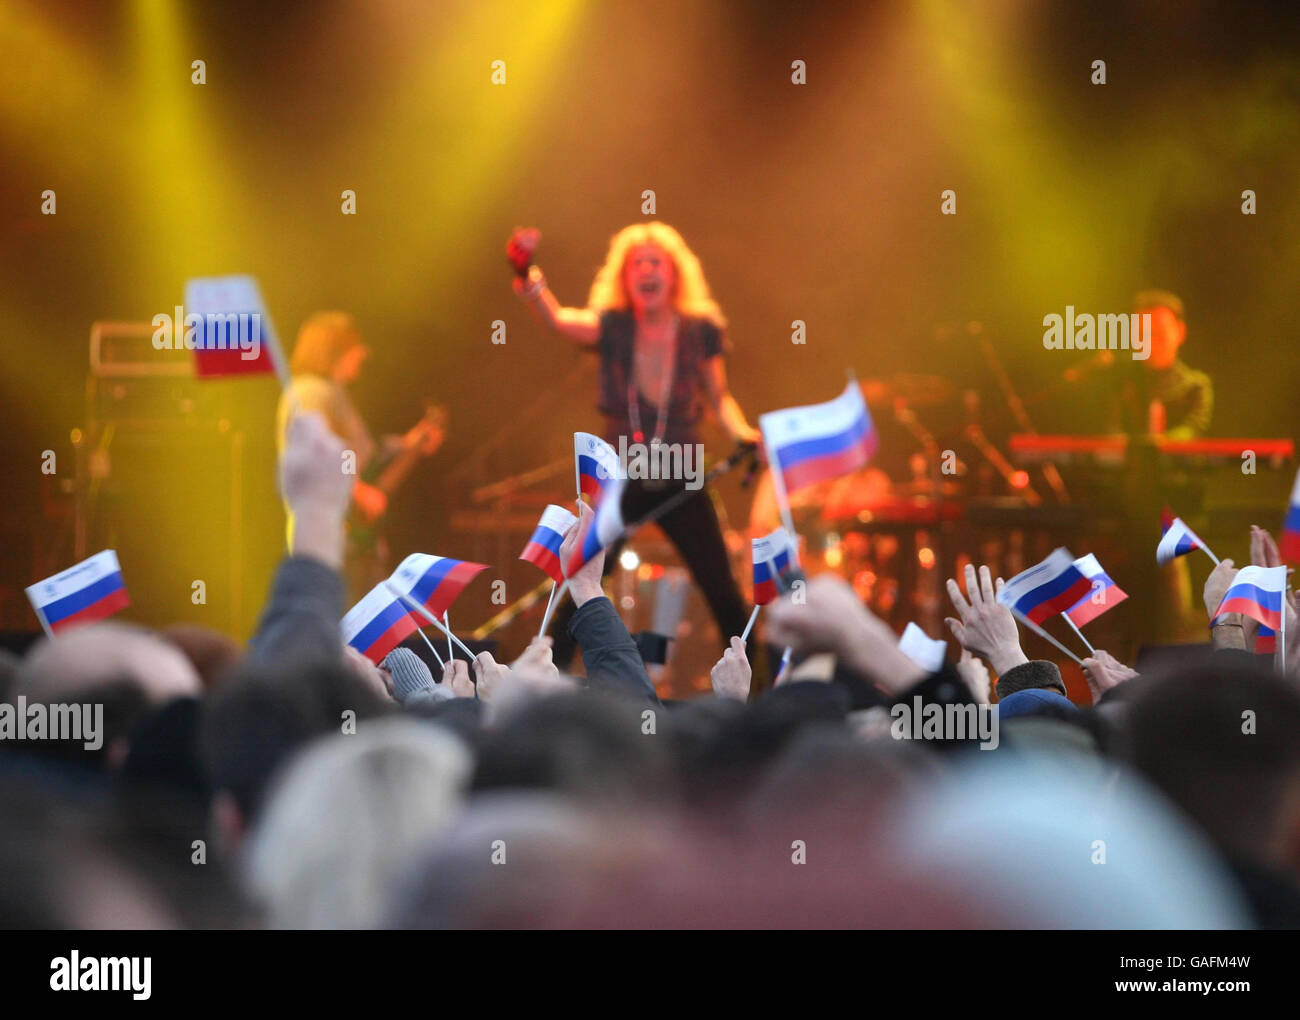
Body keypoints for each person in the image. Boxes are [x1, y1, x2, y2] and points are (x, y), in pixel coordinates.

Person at [510, 223, 763, 674]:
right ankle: (543, 678)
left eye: (656, 262)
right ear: (624, 277)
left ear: (674, 274)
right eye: (637, 263)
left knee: (721, 585)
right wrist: (529, 278)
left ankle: (758, 684)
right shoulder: (613, 326)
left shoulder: (700, 330)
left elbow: (720, 397)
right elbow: (559, 321)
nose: (646, 270)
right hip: (621, 470)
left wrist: (743, 433)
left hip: (681, 467)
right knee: (583, 578)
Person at [274, 312, 444, 595]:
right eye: (355, 345)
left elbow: (359, 455)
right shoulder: (310, 391)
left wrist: (409, 443)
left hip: (349, 543)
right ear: (336, 350)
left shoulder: (331, 393)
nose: (363, 353)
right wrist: (357, 491)